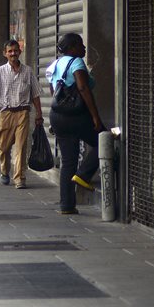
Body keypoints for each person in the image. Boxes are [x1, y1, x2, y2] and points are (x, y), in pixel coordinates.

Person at [46, 32, 105, 215]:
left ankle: (67, 206)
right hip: (77, 116)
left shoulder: (55, 64)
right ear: (72, 48)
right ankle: (84, 174)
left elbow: (53, 90)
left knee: (68, 161)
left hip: (58, 116)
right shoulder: (76, 62)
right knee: (105, 141)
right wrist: (95, 117)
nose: (84, 48)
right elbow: (82, 87)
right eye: (80, 44)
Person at [0, 39, 42, 189]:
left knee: (21, 147)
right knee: (4, 147)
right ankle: (4, 171)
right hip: (6, 113)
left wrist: (39, 114)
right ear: (5, 54)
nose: (13, 53)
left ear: (20, 52)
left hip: (23, 112)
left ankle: (19, 178)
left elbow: (35, 94)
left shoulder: (27, 71)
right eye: (10, 51)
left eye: (15, 50)